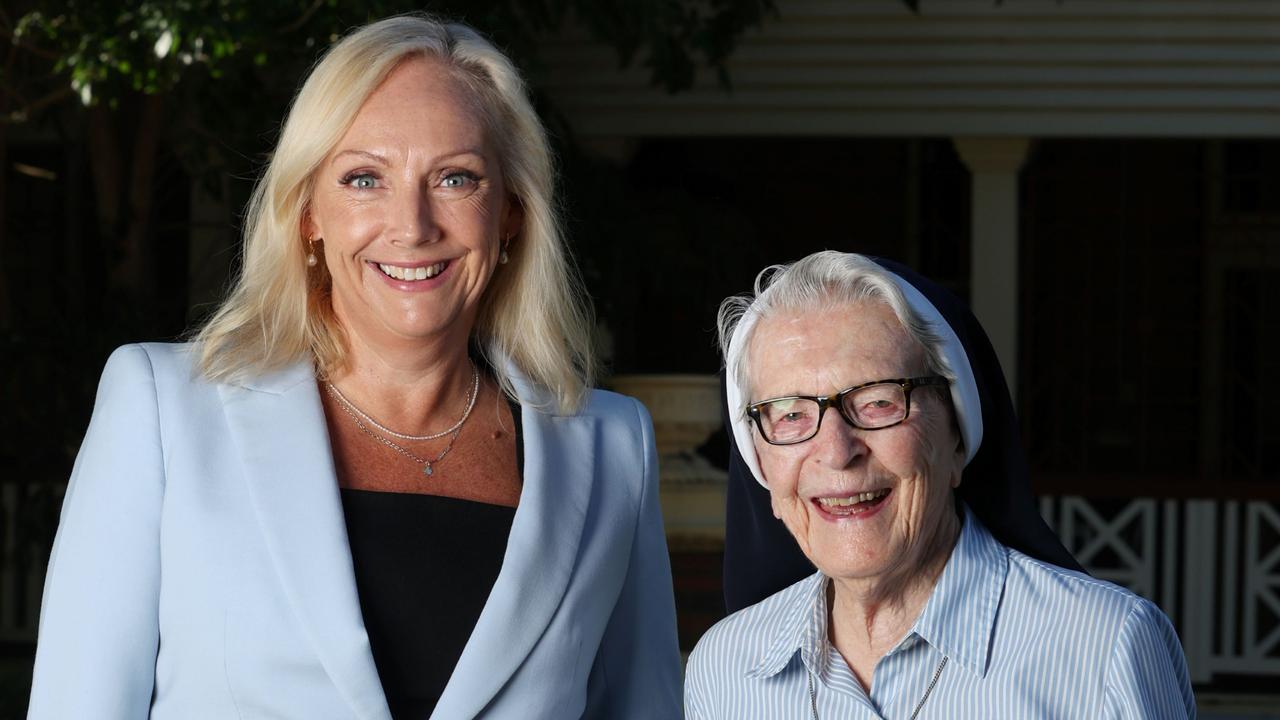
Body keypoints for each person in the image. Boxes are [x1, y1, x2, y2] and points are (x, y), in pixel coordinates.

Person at [28, 15, 681, 720]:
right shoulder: (162, 411)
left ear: (512, 214)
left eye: (456, 177)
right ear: (309, 212)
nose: (412, 225)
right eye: (365, 178)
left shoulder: (612, 447)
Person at [686, 251, 1195, 718]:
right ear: (763, 469)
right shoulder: (725, 670)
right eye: (791, 414)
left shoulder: (1104, 647)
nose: (838, 452)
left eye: (879, 402)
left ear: (956, 435)